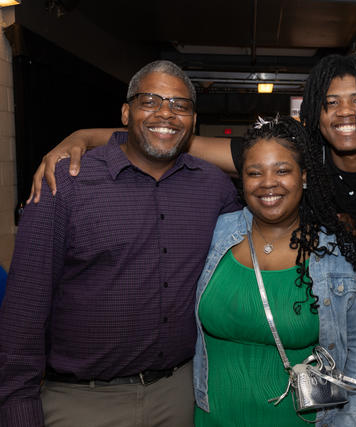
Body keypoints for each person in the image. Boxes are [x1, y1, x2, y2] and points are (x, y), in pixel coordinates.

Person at [29, 54, 356, 283]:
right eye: (331, 102)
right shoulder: (296, 156)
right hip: (313, 302)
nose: (345, 113)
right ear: (315, 114)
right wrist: (82, 136)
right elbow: (175, 137)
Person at [0, 60, 240, 426]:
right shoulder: (63, 183)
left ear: (193, 120)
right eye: (151, 101)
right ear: (126, 112)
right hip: (81, 402)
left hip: (179, 395)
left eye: (180, 105)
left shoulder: (215, 188)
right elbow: (23, 313)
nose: (166, 113)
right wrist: (18, 409)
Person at [193, 116, 356, 426]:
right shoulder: (214, 235)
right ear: (241, 180)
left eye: (282, 170)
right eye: (255, 172)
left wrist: (352, 421)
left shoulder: (339, 256)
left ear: (304, 176)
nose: (268, 183)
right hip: (213, 416)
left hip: (303, 420)